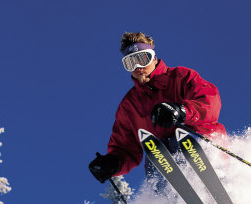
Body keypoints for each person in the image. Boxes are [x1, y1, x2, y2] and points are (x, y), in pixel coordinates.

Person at [89, 31, 226, 185]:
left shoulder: (180, 76)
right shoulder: (129, 106)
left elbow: (209, 99)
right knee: (155, 157)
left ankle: (222, 191)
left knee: (180, 142)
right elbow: (125, 147)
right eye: (130, 62)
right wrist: (113, 163)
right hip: (166, 158)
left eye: (142, 58)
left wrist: (182, 111)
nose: (138, 66)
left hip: (198, 141)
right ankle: (178, 203)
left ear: (153, 58)